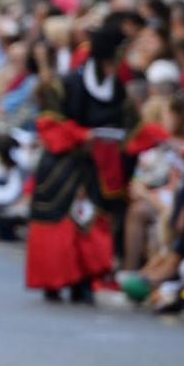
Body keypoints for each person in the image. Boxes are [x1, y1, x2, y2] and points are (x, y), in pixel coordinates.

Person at [25, 26, 131, 304]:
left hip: (96, 165)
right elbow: (49, 125)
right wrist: (84, 136)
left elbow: (132, 127)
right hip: (62, 166)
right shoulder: (67, 84)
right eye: (111, 62)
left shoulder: (118, 90)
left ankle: (84, 279)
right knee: (60, 221)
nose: (115, 68)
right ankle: (55, 280)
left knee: (90, 221)